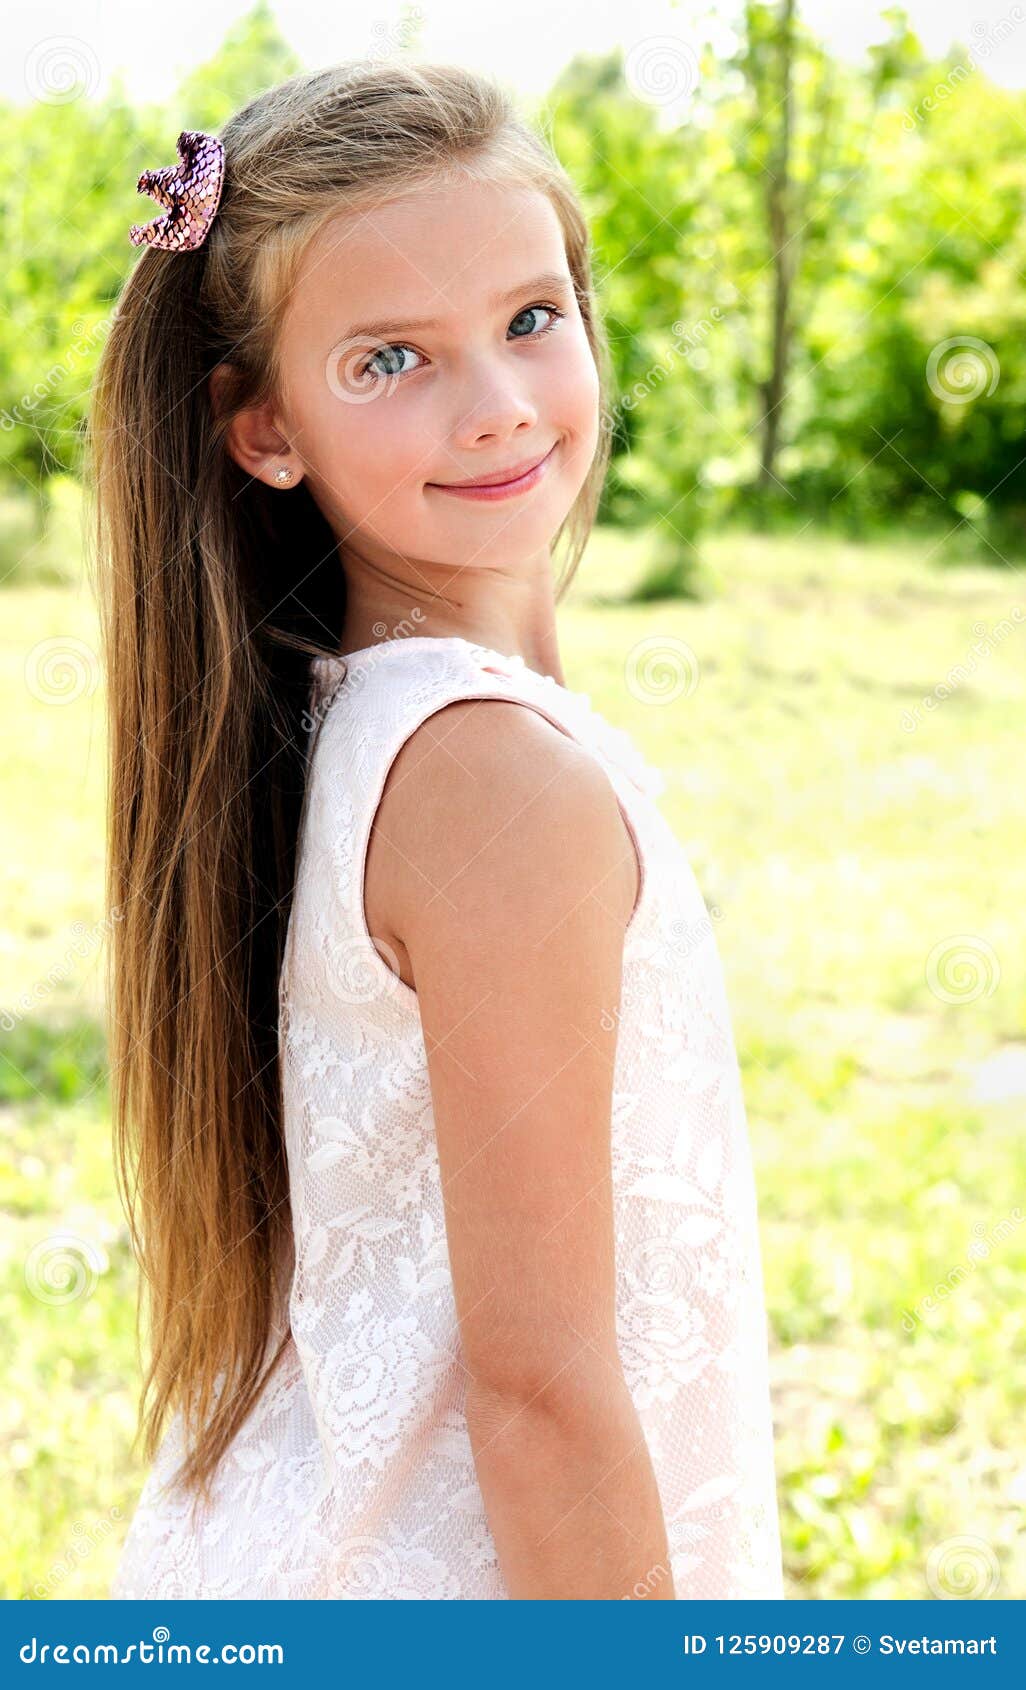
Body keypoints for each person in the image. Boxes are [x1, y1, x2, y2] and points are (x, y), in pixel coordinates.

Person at [94, 60, 783, 1601]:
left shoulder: (354, 722)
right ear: (263, 431)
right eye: (391, 357)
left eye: (532, 317)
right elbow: (536, 1392)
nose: (497, 406)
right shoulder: (487, 779)